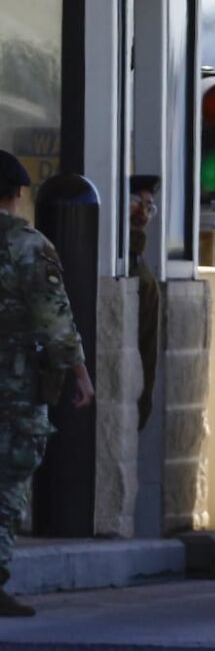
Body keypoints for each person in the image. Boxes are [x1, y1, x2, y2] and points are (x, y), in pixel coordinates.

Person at [0, 150, 95, 616]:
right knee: (7, 479)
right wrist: (78, 373)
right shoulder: (29, 247)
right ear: (17, 196)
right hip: (13, 388)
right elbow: (54, 321)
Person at [129, 175, 160, 431]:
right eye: (135, 202)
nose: (143, 213)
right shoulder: (119, 256)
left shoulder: (136, 256)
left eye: (149, 207)